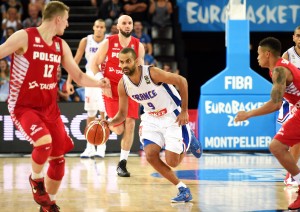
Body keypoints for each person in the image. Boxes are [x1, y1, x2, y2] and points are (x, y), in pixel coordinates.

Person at [0, 1, 111, 211]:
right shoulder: (25, 36)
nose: (68, 25)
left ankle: (47, 205)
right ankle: (36, 180)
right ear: (58, 19)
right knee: (44, 143)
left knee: (59, 162)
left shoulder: (60, 45)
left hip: (50, 109)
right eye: (67, 20)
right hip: (24, 107)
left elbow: (77, 75)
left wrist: (98, 83)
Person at [103, 47, 202, 202]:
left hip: (171, 115)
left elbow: (182, 81)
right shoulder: (123, 84)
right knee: (150, 155)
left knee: (172, 162)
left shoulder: (151, 73)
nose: (124, 65)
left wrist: (184, 111)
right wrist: (108, 122)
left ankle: (188, 138)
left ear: (135, 61)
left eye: (127, 61)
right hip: (151, 118)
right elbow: (122, 114)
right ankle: (182, 188)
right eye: (121, 62)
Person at [234, 37, 300, 211]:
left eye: (258, 54)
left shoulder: (279, 70)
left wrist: (248, 114)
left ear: (267, 54)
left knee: (277, 146)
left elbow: (276, 103)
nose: (257, 57)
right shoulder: (277, 68)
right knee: (277, 146)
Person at [90, 14, 145, 177]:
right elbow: (94, 63)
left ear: (132, 26)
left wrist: (141, 87)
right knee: (119, 129)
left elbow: (141, 69)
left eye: (130, 23)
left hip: (130, 90)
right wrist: (101, 80)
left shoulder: (138, 45)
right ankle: (106, 122)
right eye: (124, 23)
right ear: (118, 26)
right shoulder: (109, 42)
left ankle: (122, 163)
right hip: (111, 89)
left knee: (130, 124)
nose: (127, 25)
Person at [67, 19, 108, 159]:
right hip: (89, 79)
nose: (99, 29)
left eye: (102, 27)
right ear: (93, 27)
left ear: (105, 29)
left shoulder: (109, 41)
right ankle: (89, 147)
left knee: (103, 114)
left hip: (103, 79)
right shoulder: (86, 40)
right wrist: (69, 81)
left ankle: (102, 146)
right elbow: (75, 61)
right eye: (97, 26)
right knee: (91, 113)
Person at [279, 26, 300, 187]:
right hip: (291, 101)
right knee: (295, 140)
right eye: (298, 36)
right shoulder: (288, 55)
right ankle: (291, 175)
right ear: (293, 37)